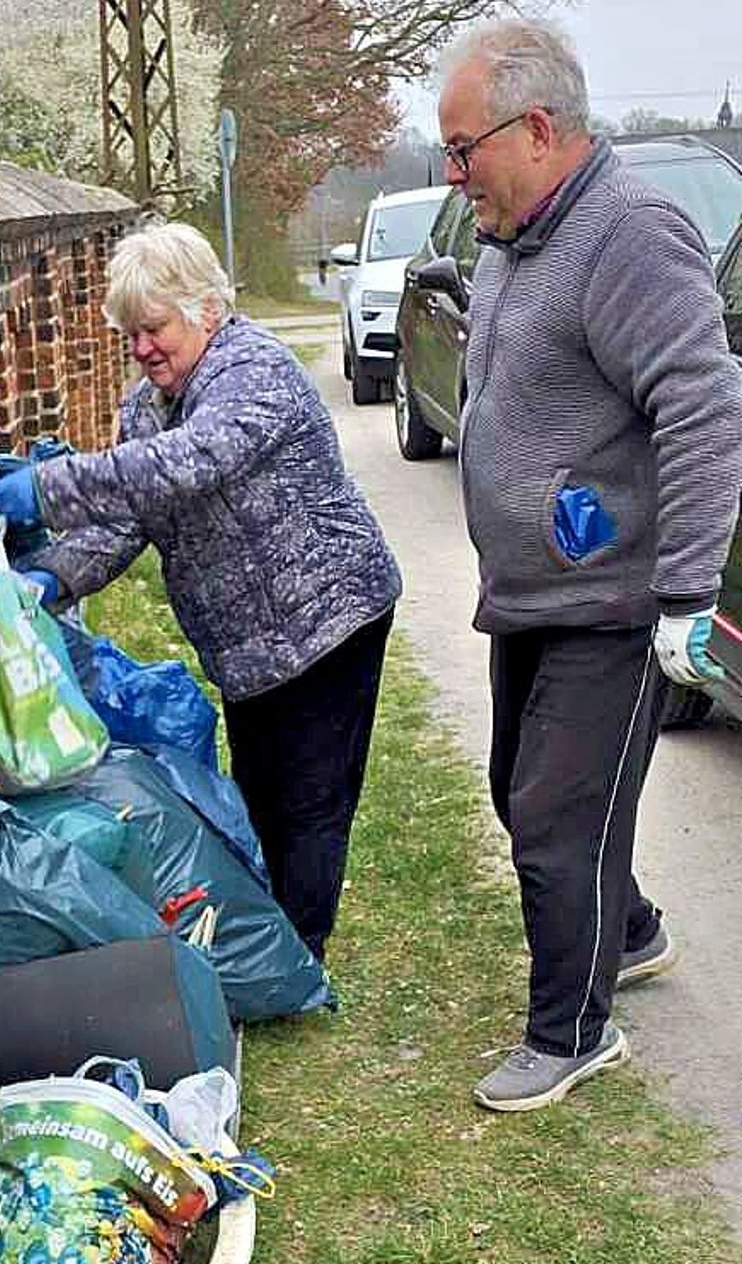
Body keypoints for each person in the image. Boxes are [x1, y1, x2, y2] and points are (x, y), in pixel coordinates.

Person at [436, 19, 742, 1111]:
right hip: (530, 592)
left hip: (611, 601)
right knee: (518, 795)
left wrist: (687, 593)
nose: (455, 173)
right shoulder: (512, 238)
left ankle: (571, 1030)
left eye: (463, 149)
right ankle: (636, 930)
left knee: (555, 824)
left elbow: (703, 407)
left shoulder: (627, 233)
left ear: (535, 128)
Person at [0, 220, 402, 963]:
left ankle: (297, 956)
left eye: (155, 329)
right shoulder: (146, 406)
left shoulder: (254, 371)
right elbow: (126, 518)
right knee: (259, 794)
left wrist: (48, 486)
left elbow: (188, 461)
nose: (143, 349)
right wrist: (48, 578)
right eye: (131, 334)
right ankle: (269, 940)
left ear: (206, 309)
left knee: (310, 802)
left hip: (329, 619)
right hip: (247, 648)